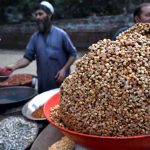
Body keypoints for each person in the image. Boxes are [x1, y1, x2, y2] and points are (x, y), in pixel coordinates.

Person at [6, 1, 77, 93]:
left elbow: (73, 54)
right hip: (43, 86)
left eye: (40, 14)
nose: (37, 17)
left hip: (61, 84)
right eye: (36, 15)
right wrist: (14, 66)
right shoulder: (34, 38)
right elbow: (27, 58)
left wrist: (64, 70)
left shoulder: (61, 34)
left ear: (49, 15)